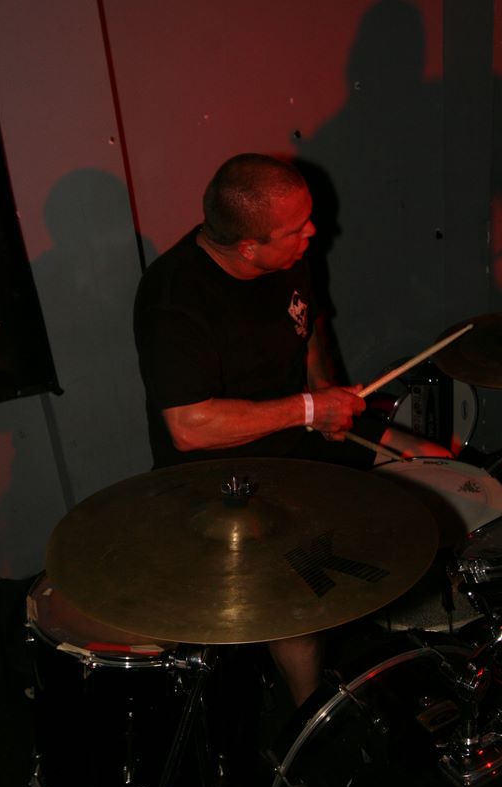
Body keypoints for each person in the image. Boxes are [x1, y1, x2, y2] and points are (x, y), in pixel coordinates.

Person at [134, 153, 449, 707]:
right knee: (296, 610)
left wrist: (326, 396)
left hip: (301, 436)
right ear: (248, 247)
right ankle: (308, 720)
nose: (313, 233)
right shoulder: (173, 297)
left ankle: (440, 639)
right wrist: (310, 409)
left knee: (439, 466)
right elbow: (190, 427)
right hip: (222, 477)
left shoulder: (287, 259)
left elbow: (309, 327)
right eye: (297, 228)